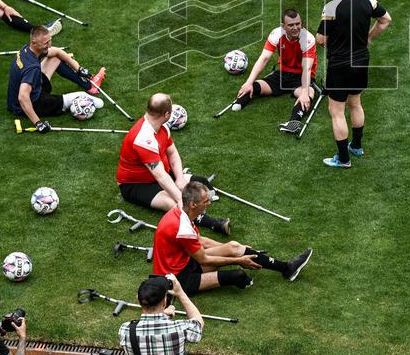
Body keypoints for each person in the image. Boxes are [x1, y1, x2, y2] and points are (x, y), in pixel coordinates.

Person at [152, 181, 313, 295]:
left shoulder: (182, 210)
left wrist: (231, 249)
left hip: (186, 262)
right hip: (178, 278)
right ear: (193, 204)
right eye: (205, 201)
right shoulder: (183, 228)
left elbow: (201, 241)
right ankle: (241, 274)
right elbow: (204, 260)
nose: (209, 203)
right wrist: (238, 260)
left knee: (234, 246)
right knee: (237, 275)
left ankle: (287, 268)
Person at [117, 93, 229, 235]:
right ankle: (215, 224)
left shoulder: (162, 127)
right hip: (136, 185)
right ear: (166, 114)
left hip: (159, 173)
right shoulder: (143, 139)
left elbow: (172, 153)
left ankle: (205, 198)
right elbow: (161, 177)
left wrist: (180, 179)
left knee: (199, 180)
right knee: (174, 203)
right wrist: (179, 198)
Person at [316, 0, 391, 168]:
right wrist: (369, 38)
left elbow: (321, 39)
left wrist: (330, 42)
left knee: (336, 111)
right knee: (355, 103)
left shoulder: (331, 7)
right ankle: (356, 146)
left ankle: (343, 159)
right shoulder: (368, 0)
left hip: (339, 64)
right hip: (361, 60)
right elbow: (385, 20)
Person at [230, 9, 319, 134]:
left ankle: (293, 122)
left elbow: (307, 68)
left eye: (298, 24)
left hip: (301, 76)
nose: (295, 28)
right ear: (283, 26)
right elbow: (264, 58)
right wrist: (248, 82)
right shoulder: (276, 34)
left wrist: (304, 93)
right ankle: (242, 100)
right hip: (283, 73)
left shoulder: (308, 39)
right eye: (291, 25)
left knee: (308, 92)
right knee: (256, 85)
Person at [6, 25, 105, 131]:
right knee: (92, 100)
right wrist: (38, 123)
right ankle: (88, 91)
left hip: (17, 99)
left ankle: (90, 86)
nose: (49, 45)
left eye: (50, 41)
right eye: (46, 43)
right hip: (30, 104)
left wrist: (78, 69)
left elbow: (57, 52)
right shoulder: (32, 69)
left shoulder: (27, 49)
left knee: (55, 58)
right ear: (34, 43)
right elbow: (23, 97)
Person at [118, 274, 203, 355]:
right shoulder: (181, 329)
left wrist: (164, 314)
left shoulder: (125, 330)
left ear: (138, 300)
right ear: (165, 302)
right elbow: (199, 323)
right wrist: (180, 293)